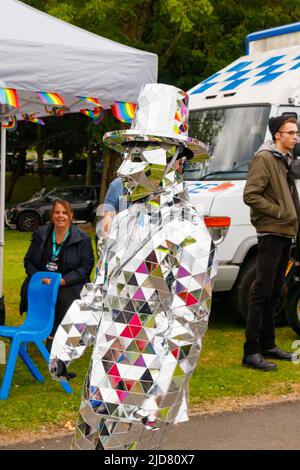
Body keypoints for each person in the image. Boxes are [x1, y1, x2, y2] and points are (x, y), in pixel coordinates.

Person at [49, 83, 218, 450]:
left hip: (146, 379)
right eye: (128, 153)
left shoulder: (190, 235)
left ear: (176, 159)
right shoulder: (123, 224)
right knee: (84, 447)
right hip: (102, 373)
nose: (126, 168)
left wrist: (165, 396)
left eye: (142, 155)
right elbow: (98, 293)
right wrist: (67, 342)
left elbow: (189, 323)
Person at [243, 114, 300, 371]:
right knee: (261, 293)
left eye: (296, 133)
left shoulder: (283, 160)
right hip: (271, 232)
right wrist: (280, 213)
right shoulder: (264, 158)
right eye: (290, 133)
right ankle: (251, 352)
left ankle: (268, 344)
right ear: (278, 134)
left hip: (285, 233)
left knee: (275, 292)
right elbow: (251, 195)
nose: (295, 137)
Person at [20, 200, 94, 350]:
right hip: (43, 280)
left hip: (68, 282)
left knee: (62, 299)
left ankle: (53, 337)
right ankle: (33, 330)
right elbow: (29, 260)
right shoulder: (41, 234)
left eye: (64, 213)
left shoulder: (82, 238)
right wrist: (38, 278)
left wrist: (62, 281)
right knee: (33, 293)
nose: (61, 216)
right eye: (57, 212)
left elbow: (86, 267)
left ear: (71, 216)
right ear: (52, 215)